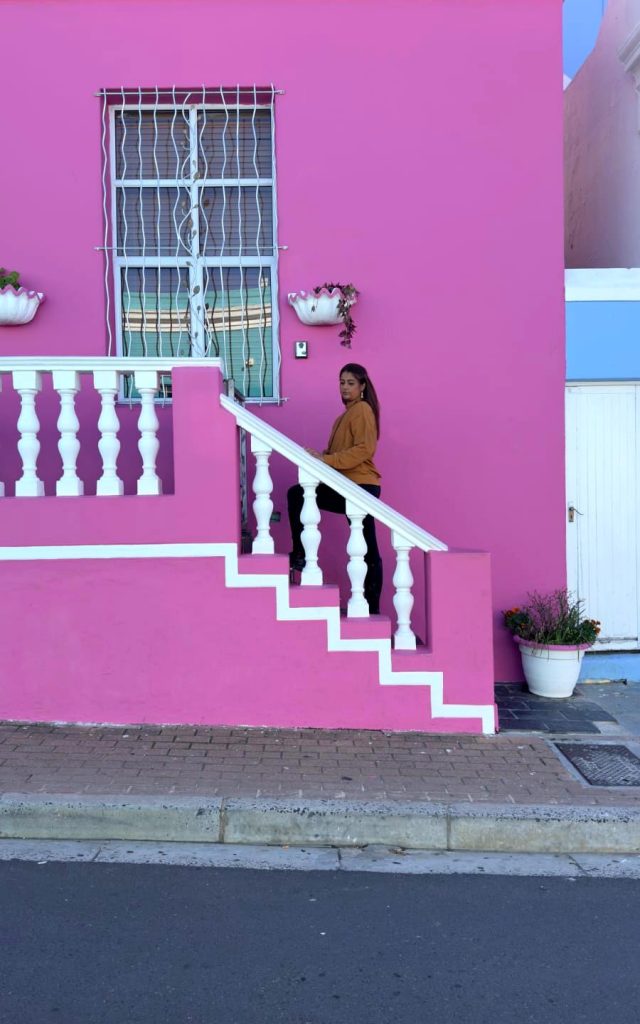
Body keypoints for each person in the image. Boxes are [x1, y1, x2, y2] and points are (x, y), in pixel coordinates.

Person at [287, 363, 383, 615]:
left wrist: (325, 459)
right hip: (350, 483)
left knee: (297, 495)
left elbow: (364, 449)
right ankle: (371, 607)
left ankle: (299, 552)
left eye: (351, 383)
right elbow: (341, 453)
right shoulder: (344, 416)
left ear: (362, 386)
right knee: (367, 547)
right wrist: (321, 456)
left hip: (361, 485)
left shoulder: (362, 409)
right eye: (342, 382)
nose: (345, 387)